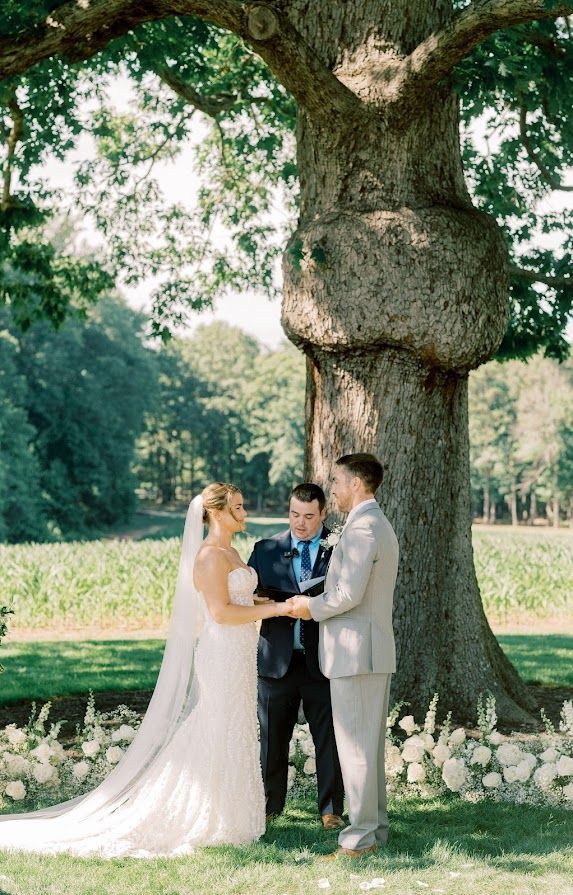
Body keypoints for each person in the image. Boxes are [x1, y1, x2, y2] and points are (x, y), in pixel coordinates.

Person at [0, 483, 291, 857]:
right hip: (221, 654)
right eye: (237, 507)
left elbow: (232, 600)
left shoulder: (231, 551)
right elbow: (219, 613)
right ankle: (197, 812)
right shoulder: (207, 557)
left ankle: (233, 814)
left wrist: (254, 600)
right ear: (216, 513)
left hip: (240, 653)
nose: (244, 512)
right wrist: (277, 610)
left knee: (235, 726)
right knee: (218, 726)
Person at [287, 454, 398, 859]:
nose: (331, 488)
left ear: (355, 483)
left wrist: (308, 607)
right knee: (365, 748)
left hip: (357, 654)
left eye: (336, 481)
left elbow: (348, 595)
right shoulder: (371, 524)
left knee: (356, 749)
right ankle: (375, 831)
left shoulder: (364, 528)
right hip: (364, 652)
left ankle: (359, 839)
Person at [248, 483, 344, 828]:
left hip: (325, 660)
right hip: (276, 662)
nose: (300, 523)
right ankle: (269, 808)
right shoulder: (266, 549)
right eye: (293, 515)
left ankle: (331, 810)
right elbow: (247, 599)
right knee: (273, 739)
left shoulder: (339, 549)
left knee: (329, 738)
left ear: (322, 515)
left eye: (308, 516)